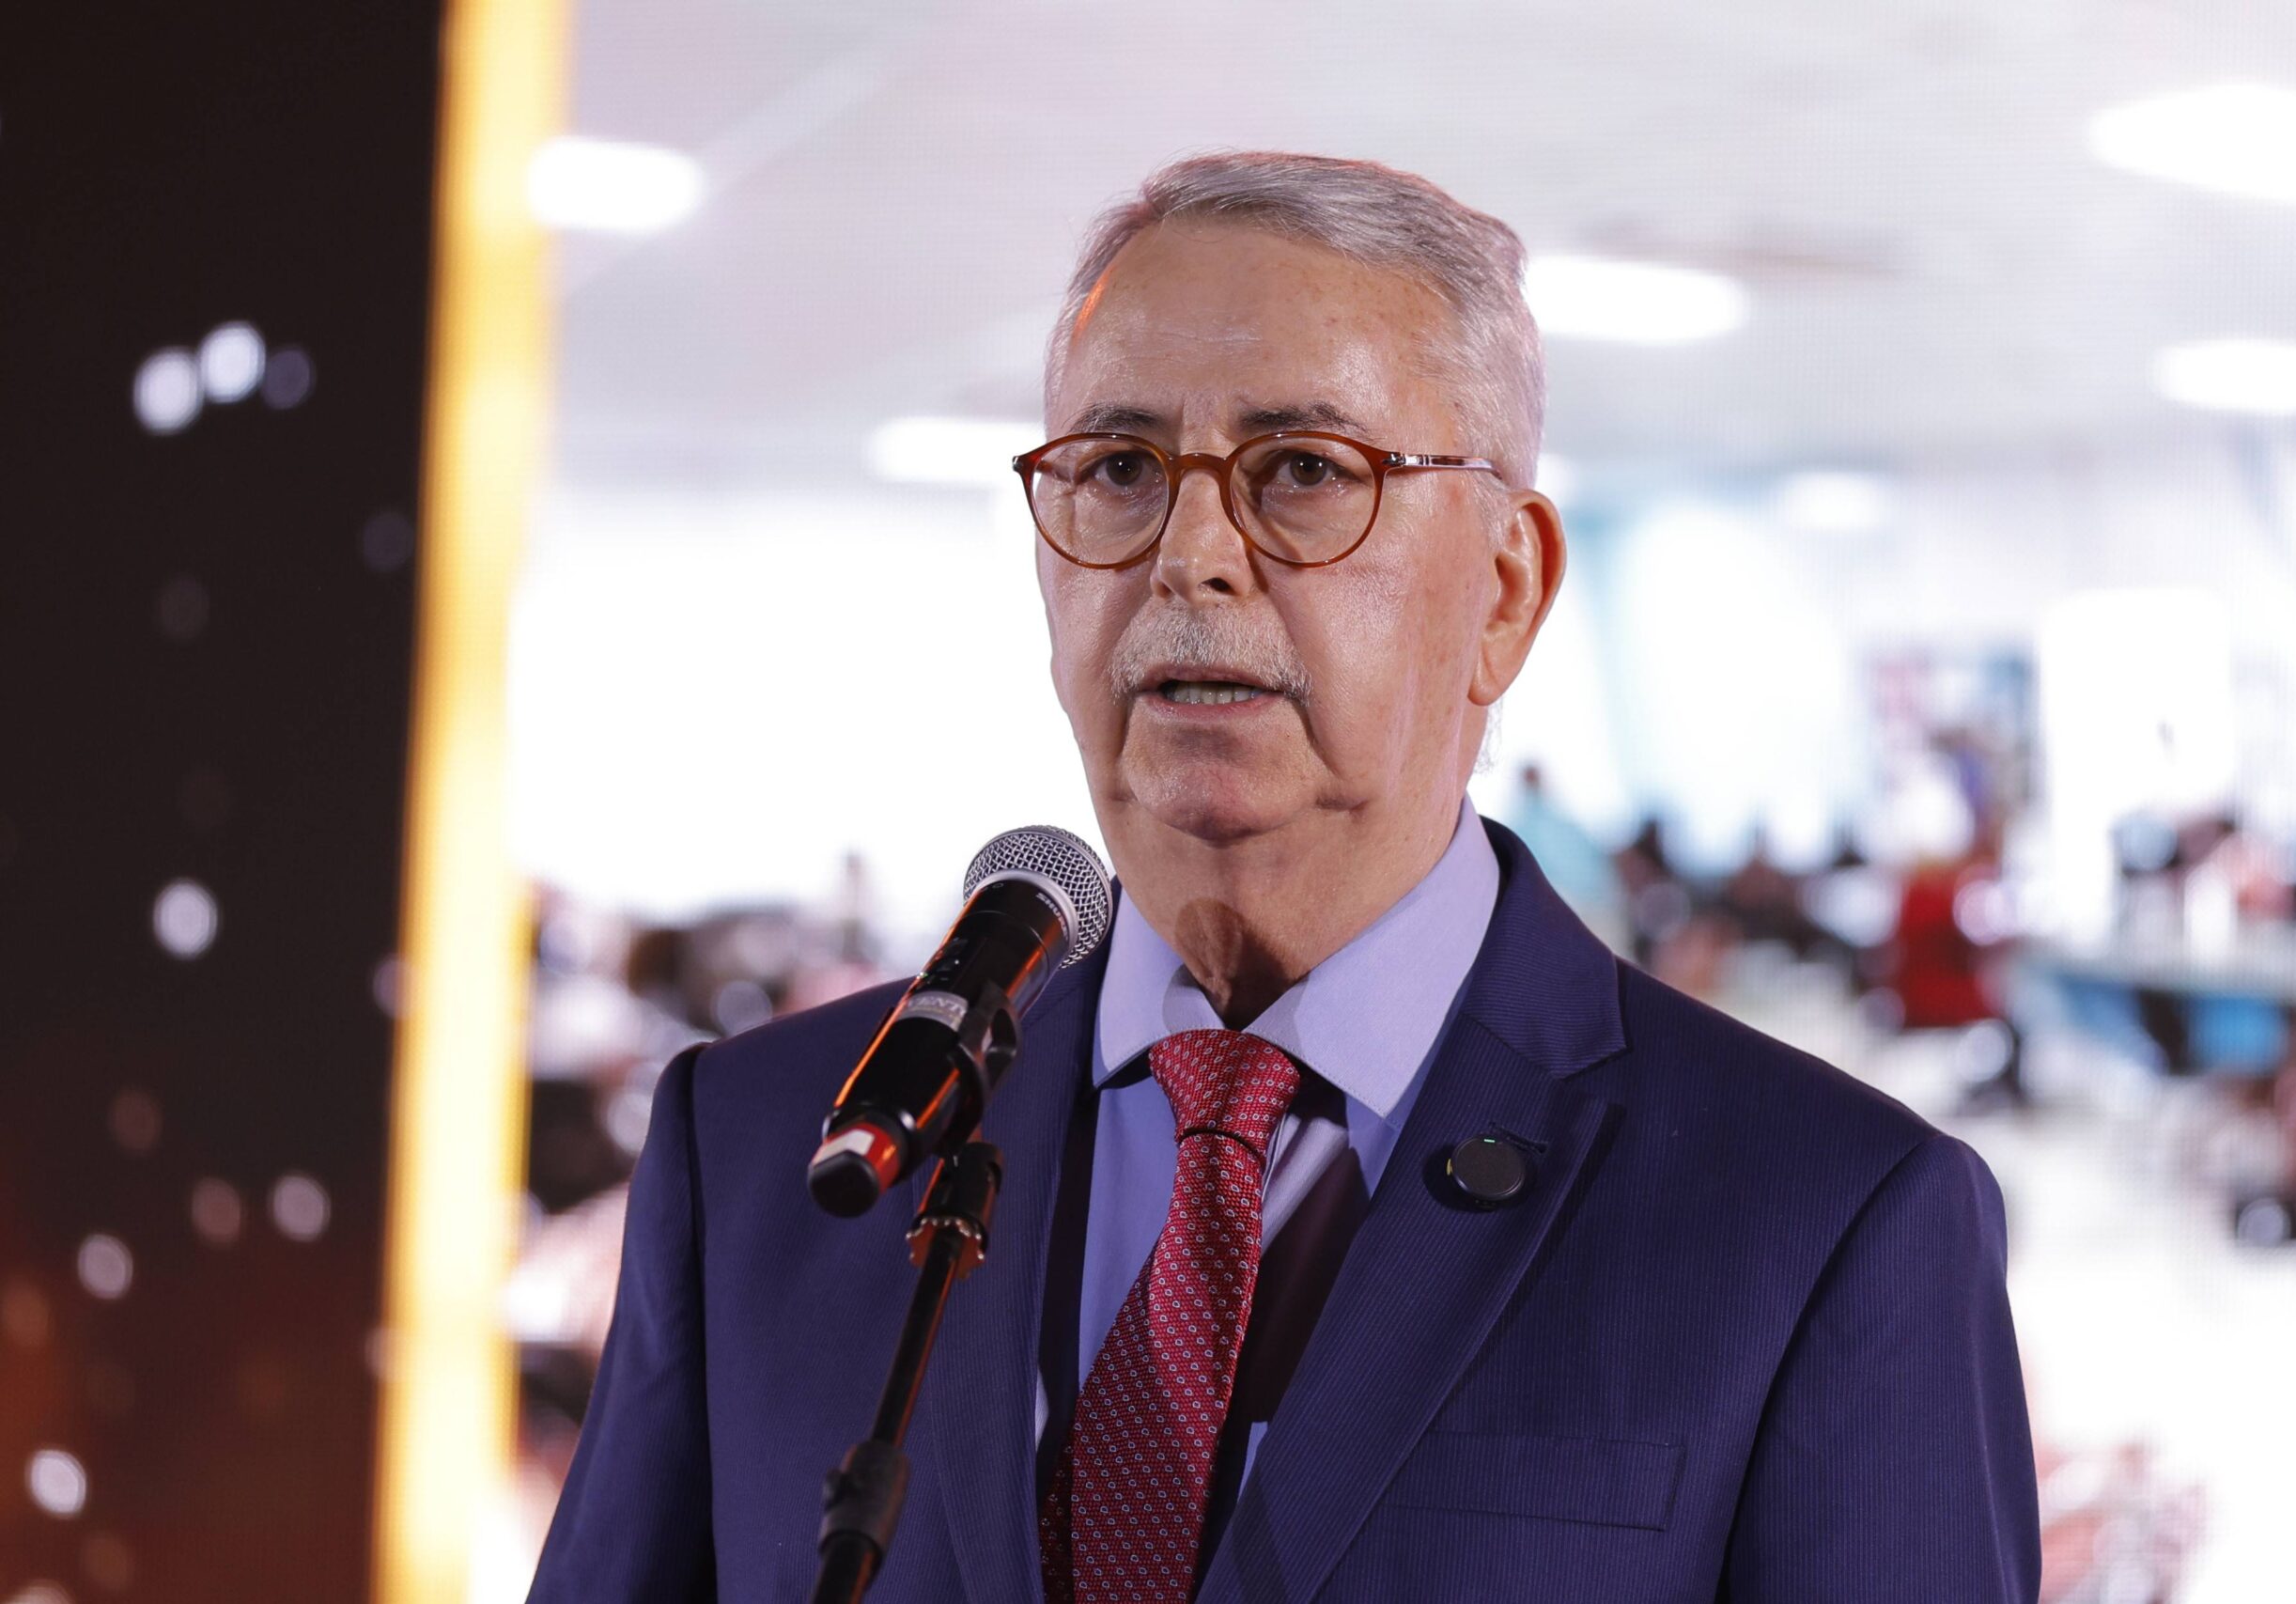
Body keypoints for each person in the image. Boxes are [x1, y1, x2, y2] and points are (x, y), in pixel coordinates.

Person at [530, 151, 2039, 1603]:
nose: (1190, 554)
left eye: (1305, 471)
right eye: (1121, 469)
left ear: (1505, 591)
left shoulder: (1820, 1225)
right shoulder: (775, 1159)